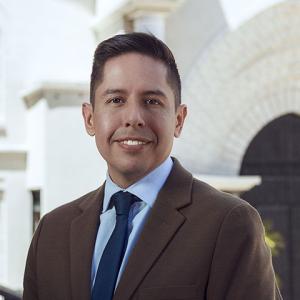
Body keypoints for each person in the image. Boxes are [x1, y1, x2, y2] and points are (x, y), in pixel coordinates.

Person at [23, 32, 282, 300]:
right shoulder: (51, 232)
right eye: (116, 100)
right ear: (90, 118)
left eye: (152, 101)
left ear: (179, 120)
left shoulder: (228, 224)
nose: (134, 118)